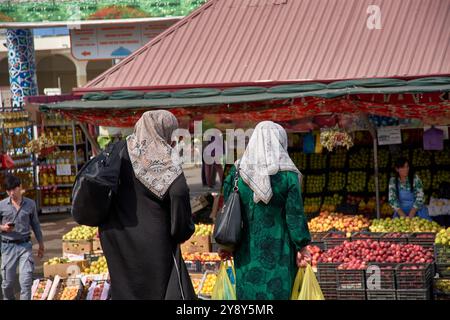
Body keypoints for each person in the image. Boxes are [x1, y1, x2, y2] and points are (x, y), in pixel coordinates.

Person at [97, 110, 195, 300]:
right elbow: (179, 192)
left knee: (125, 290)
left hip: (116, 239)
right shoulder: (164, 158)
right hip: (153, 243)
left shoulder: (118, 150)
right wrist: (182, 229)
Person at [219, 121, 311, 300]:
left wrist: (226, 245)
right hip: (280, 251)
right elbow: (295, 215)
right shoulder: (288, 175)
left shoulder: (237, 172)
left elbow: (228, 208)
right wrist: (302, 245)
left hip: (246, 250)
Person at [0, 174, 44, 300]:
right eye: (9, 191)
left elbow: (35, 224)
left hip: (25, 246)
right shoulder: (1, 205)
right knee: (7, 284)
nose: (12, 193)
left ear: (20, 187)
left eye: (14, 189)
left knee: (25, 282)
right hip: (7, 247)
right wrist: (3, 228)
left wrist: (41, 244)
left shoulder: (30, 204)